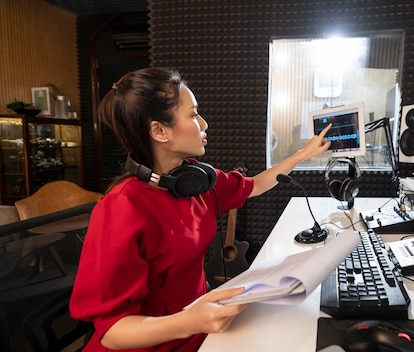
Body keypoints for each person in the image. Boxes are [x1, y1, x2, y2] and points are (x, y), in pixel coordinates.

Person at [69, 67, 331, 351]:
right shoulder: (121, 208)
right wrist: (192, 321)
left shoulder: (194, 181)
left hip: (198, 328)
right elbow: (113, 332)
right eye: (193, 114)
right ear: (159, 130)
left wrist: (303, 154)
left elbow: (253, 185)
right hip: (158, 341)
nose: (204, 124)